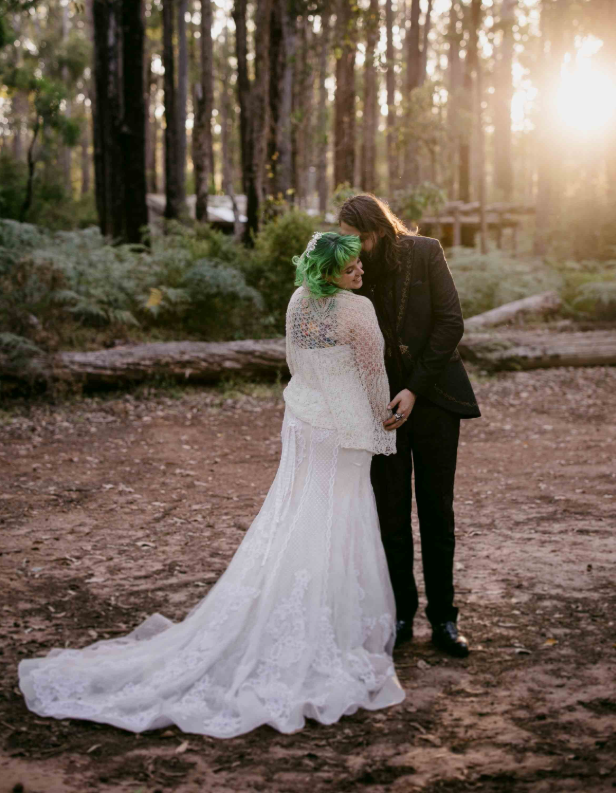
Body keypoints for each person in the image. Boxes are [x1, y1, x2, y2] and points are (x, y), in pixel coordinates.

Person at [19, 231, 405, 738]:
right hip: (343, 429)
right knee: (336, 521)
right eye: (350, 265)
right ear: (329, 270)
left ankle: (296, 612)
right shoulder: (356, 310)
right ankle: (326, 628)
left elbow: (296, 364)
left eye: (359, 264)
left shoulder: (298, 301)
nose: (360, 271)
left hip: (304, 421)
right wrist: (383, 418)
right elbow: (373, 373)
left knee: (297, 517)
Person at [339, 193, 481, 658]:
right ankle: (401, 614)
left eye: (358, 239)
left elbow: (450, 323)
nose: (353, 250)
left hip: (436, 400)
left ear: (378, 230)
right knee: (391, 516)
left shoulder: (426, 252)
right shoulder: (352, 270)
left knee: (437, 513)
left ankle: (444, 619)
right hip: (380, 410)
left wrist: (414, 389)